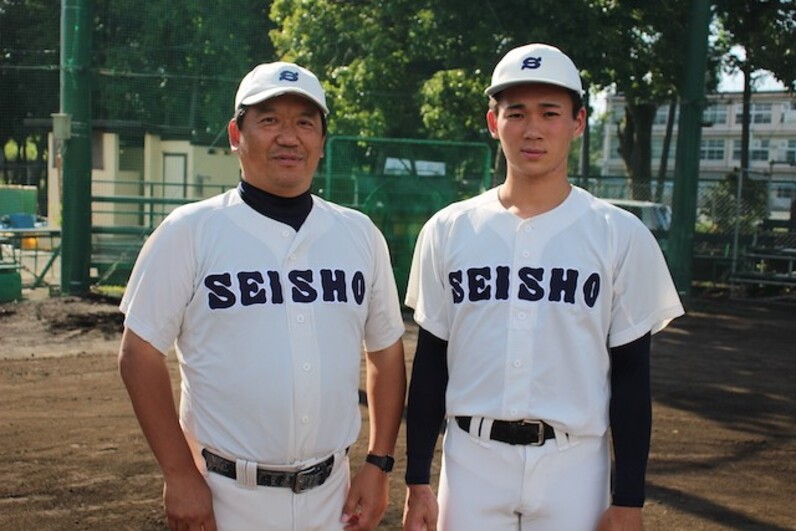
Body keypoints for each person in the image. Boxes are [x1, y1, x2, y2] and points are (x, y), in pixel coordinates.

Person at [401, 43, 685, 531]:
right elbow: (430, 363)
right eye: (516, 113)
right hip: (472, 461)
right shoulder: (448, 229)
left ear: (577, 122)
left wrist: (630, 498)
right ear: (494, 123)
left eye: (550, 112)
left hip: (574, 465)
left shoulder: (619, 234)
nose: (532, 129)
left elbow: (633, 376)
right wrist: (415, 480)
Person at [118, 61, 407, 531]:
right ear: (236, 133)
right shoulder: (190, 231)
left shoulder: (359, 234)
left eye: (304, 122)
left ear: (321, 140)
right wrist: (178, 473)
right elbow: (139, 352)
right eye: (269, 120)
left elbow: (386, 352)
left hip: (332, 498)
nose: (288, 137)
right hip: (225, 496)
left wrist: (379, 462)